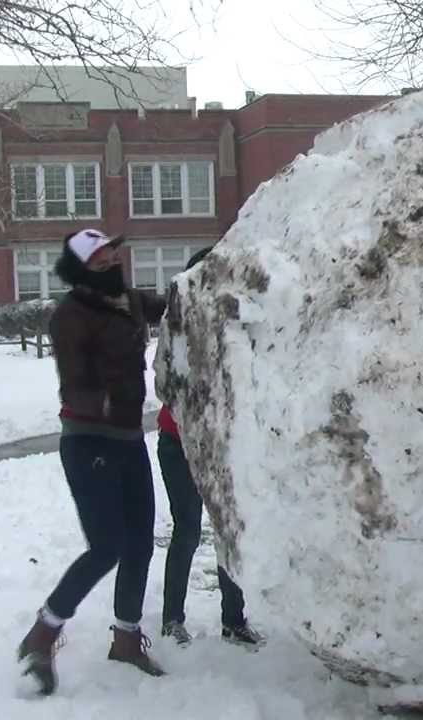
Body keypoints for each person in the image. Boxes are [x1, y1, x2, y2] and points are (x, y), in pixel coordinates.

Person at [16, 229, 166, 695]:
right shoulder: (71, 315)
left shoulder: (130, 301)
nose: (110, 260)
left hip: (128, 438)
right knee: (107, 546)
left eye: (111, 253)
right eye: (100, 258)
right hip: (89, 440)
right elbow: (74, 380)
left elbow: (173, 304)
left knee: (140, 542)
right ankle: (44, 632)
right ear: (82, 268)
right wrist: (106, 402)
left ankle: (125, 638)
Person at [157, 247, 265, 650]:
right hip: (178, 443)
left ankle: (234, 621)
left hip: (222, 445)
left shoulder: (233, 324)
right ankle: (172, 619)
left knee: (226, 531)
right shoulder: (176, 326)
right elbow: (169, 385)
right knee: (186, 529)